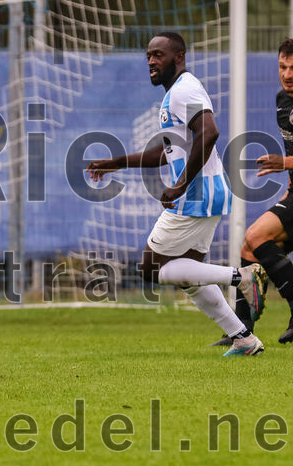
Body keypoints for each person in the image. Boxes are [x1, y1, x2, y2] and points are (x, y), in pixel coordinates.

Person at [87, 32, 269, 356]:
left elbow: (209, 132)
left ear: (179, 57)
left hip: (195, 196)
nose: (151, 61)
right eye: (148, 56)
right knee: (187, 275)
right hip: (207, 194)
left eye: (159, 55)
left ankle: (242, 277)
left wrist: (182, 184)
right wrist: (118, 162)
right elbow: (165, 152)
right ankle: (243, 338)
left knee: (150, 269)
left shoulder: (185, 89)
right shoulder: (176, 94)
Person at [213, 38, 293, 346]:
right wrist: (291, 186)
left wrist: (284, 163)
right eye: (282, 67)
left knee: (256, 235)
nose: (288, 74)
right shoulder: (282, 99)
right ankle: (241, 332)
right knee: (250, 249)